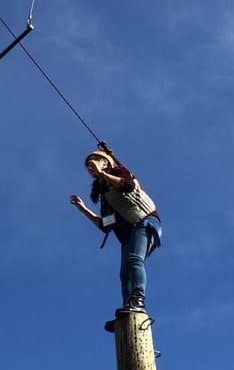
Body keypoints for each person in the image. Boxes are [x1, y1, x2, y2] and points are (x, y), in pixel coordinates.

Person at [70, 142, 162, 331]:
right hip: (129, 233)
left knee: (134, 260)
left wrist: (104, 170)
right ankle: (128, 309)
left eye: (95, 160)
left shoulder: (121, 175)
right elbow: (105, 224)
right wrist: (83, 209)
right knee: (124, 272)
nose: (91, 165)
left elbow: (127, 186)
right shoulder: (106, 197)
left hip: (144, 222)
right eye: (88, 164)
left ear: (106, 162)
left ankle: (137, 300)